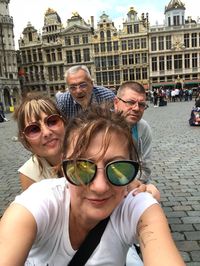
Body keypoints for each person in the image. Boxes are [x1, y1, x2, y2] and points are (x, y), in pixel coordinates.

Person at [0, 105, 185, 266]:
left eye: (117, 168)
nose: (100, 187)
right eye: (82, 168)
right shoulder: (39, 202)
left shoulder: (136, 205)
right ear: (63, 167)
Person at [13, 93, 67, 190]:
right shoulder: (29, 174)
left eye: (52, 121)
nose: (46, 133)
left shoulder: (89, 152)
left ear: (64, 122)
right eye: (34, 129)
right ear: (24, 138)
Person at [114, 81, 151, 184]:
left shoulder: (143, 128)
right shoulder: (102, 127)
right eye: (130, 102)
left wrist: (131, 186)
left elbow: (145, 167)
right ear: (116, 103)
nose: (136, 108)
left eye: (142, 104)